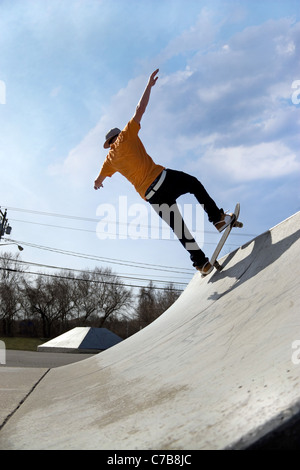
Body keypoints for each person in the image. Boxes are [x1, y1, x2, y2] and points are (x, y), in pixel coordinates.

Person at [94, 69, 235, 276]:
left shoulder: (109, 160)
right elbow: (139, 109)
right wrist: (148, 86)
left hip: (151, 196)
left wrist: (98, 183)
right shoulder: (127, 135)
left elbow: (98, 179)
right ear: (118, 135)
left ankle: (201, 263)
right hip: (162, 179)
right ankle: (218, 219)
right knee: (194, 184)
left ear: (109, 144)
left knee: (179, 228)